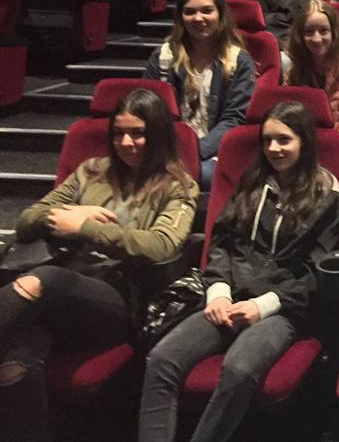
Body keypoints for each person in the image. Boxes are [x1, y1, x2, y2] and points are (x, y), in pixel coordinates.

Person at [139, 101, 339, 442]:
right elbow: (222, 243)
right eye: (267, 140)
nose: (274, 149)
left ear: (304, 142)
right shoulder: (252, 182)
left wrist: (262, 306)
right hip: (229, 295)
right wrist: (218, 291)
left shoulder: (326, 193)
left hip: (282, 307)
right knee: (161, 360)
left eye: (284, 140)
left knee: (238, 368)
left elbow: (315, 271)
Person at [1, 89, 198, 442]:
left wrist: (85, 228)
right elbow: (27, 220)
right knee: (18, 359)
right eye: (118, 133)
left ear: (157, 135)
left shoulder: (178, 186)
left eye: (138, 133)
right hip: (63, 290)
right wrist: (67, 214)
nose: (126, 143)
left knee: (41, 280)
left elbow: (160, 246)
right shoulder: (91, 171)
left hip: (118, 298)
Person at [144, 0, 256, 191]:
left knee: (201, 175)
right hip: (167, 149)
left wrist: (193, 151)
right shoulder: (163, 56)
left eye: (206, 11)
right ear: (180, 17)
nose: (198, 18)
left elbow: (234, 119)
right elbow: (147, 109)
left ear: (220, 14)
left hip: (214, 151)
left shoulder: (238, 61)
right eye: (189, 12)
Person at [286, 0, 339, 172]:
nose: (316, 38)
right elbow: (289, 119)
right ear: (300, 36)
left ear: (334, 32)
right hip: (303, 148)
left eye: (323, 31)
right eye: (309, 32)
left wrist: (321, 147)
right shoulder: (293, 72)